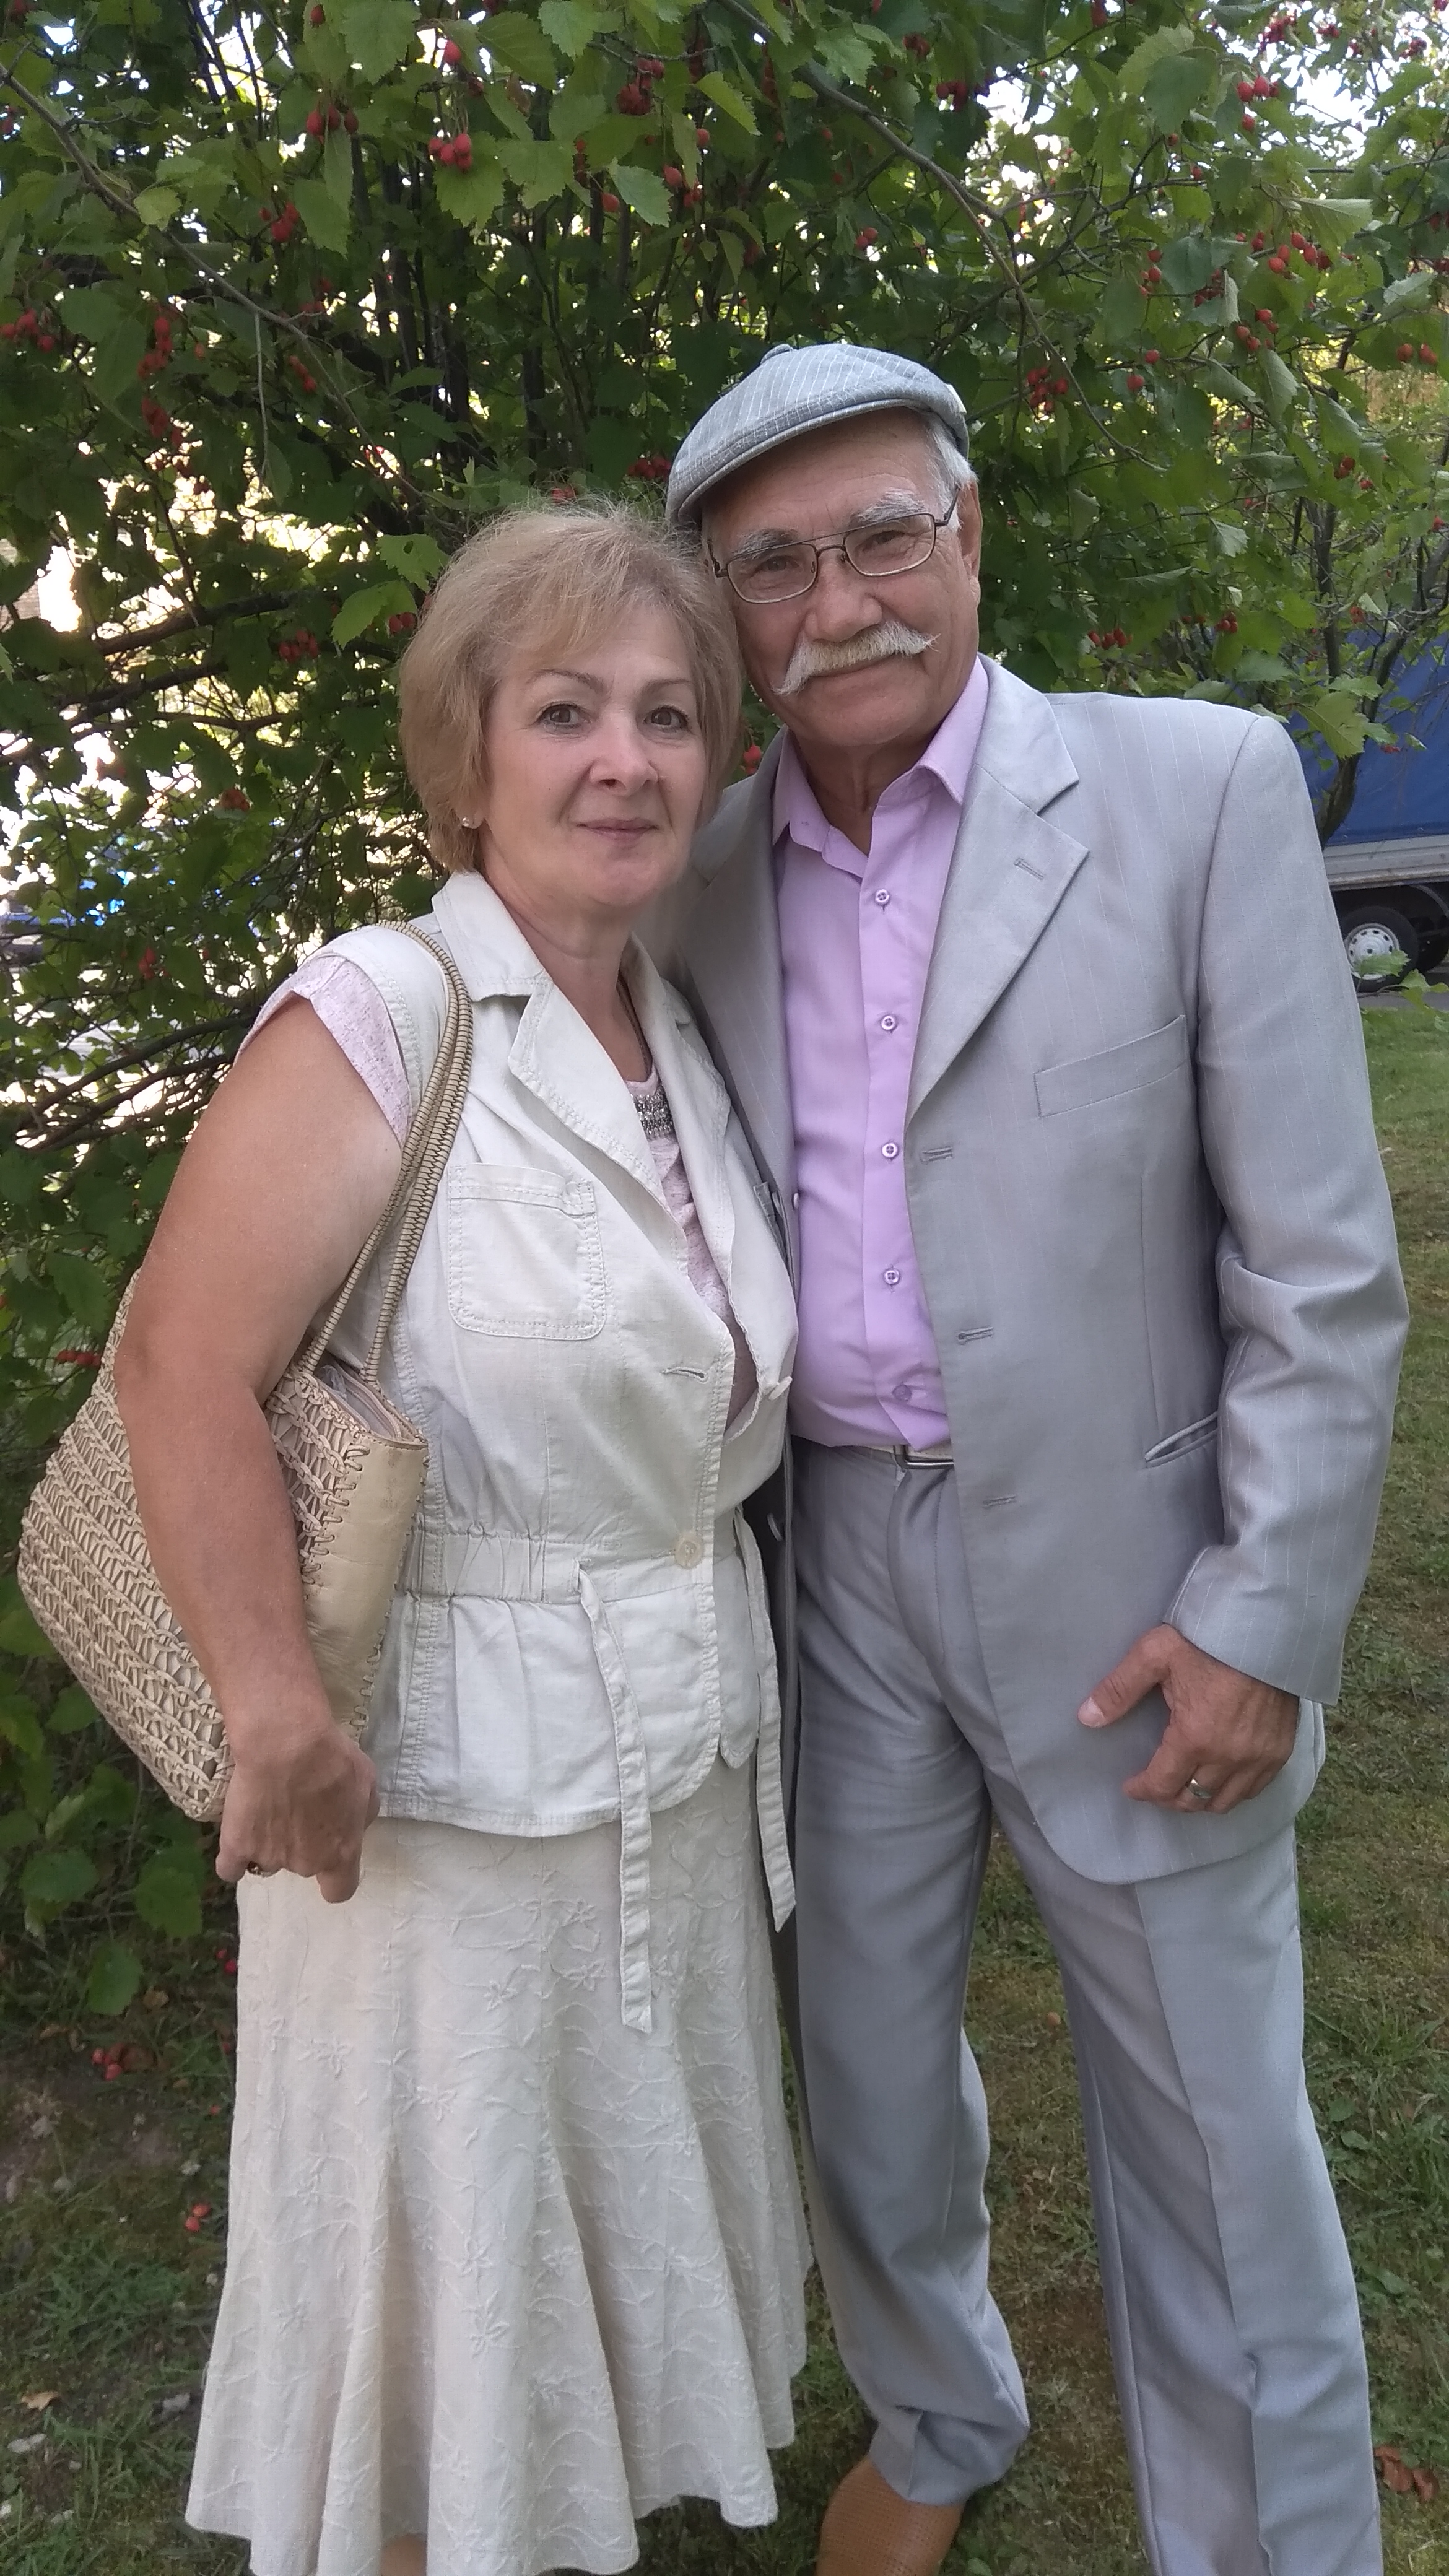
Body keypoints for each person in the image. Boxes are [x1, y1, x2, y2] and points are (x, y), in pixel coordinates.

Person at [651, 342, 1409, 2576]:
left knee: (1211, 2131)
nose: (840, 603)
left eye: (883, 535)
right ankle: (936, 2412)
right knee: (868, 2073)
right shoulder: (694, 873)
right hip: (832, 1569)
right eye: (773, 567)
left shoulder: (1193, 793)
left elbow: (1319, 1271)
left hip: (1130, 1578)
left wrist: (1257, 1615)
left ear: (967, 533)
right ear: (726, 613)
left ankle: (1267, 2544)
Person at [114, 505, 809, 2576]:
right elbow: (175, 1365)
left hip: (671, 1775)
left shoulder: (669, 1021)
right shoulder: (383, 1013)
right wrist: (271, 1711)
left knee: (590, 2255)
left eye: (669, 716)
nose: (625, 761)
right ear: (469, 756)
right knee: (443, 2299)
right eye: (567, 712)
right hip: (433, 1813)